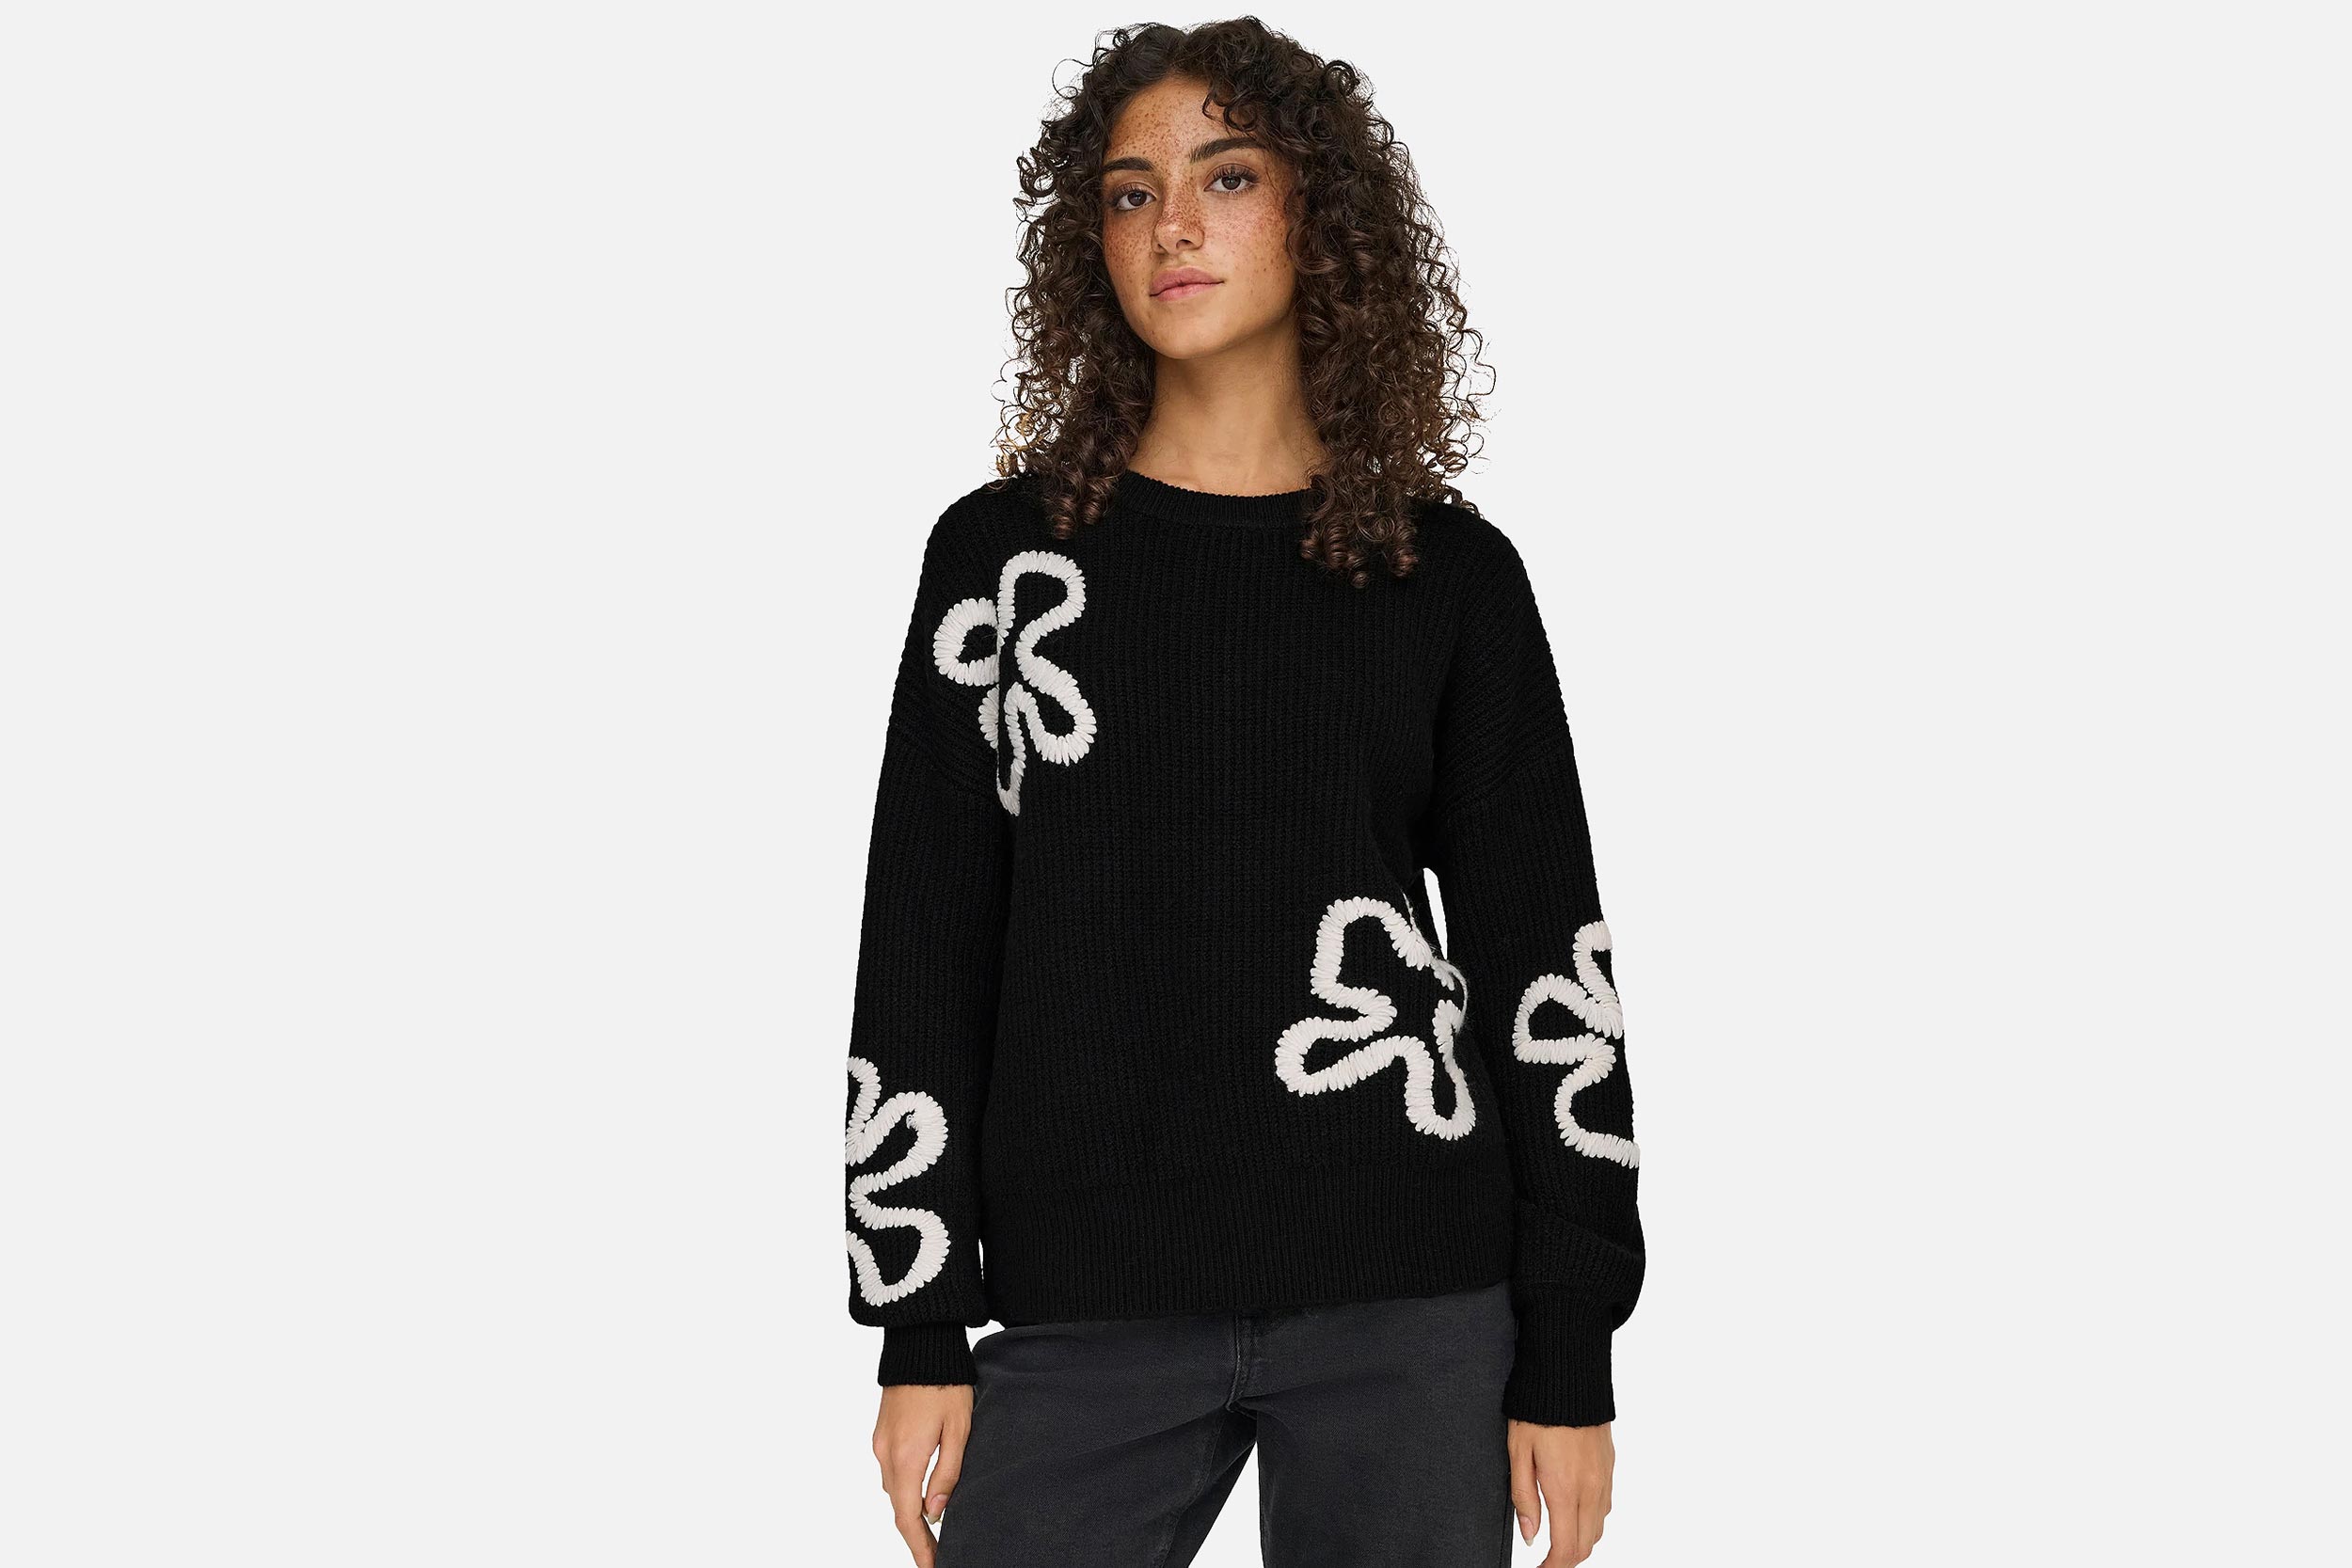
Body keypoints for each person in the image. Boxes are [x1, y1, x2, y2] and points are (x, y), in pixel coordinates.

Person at [842, 19, 1644, 1567]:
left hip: (1411, 1296)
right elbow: (923, 948)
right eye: (1129, 192)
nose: (1173, 226)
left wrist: (1570, 1344)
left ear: (1319, 216)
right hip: (1086, 1298)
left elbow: (1551, 967)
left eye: (1226, 176)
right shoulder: (1004, 568)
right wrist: (918, 1319)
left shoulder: (1444, 577)